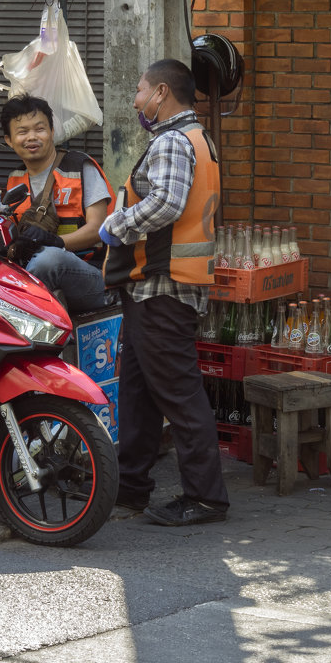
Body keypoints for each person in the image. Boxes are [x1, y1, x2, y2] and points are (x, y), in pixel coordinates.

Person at [98, 58, 229, 526]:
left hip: (164, 287)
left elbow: (167, 203)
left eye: (139, 90)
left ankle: (206, 497)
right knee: (137, 391)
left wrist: (116, 224)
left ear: (161, 94)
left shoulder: (173, 140)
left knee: (178, 393)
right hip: (156, 287)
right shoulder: (200, 139)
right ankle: (131, 487)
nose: (135, 99)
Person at [2, 94, 115, 314]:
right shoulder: (15, 179)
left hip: (94, 274)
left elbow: (98, 230)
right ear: (8, 140)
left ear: (52, 132)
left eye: (40, 129)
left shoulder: (80, 167)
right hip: (35, 270)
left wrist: (56, 242)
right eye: (22, 132)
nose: (32, 137)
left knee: (49, 259)